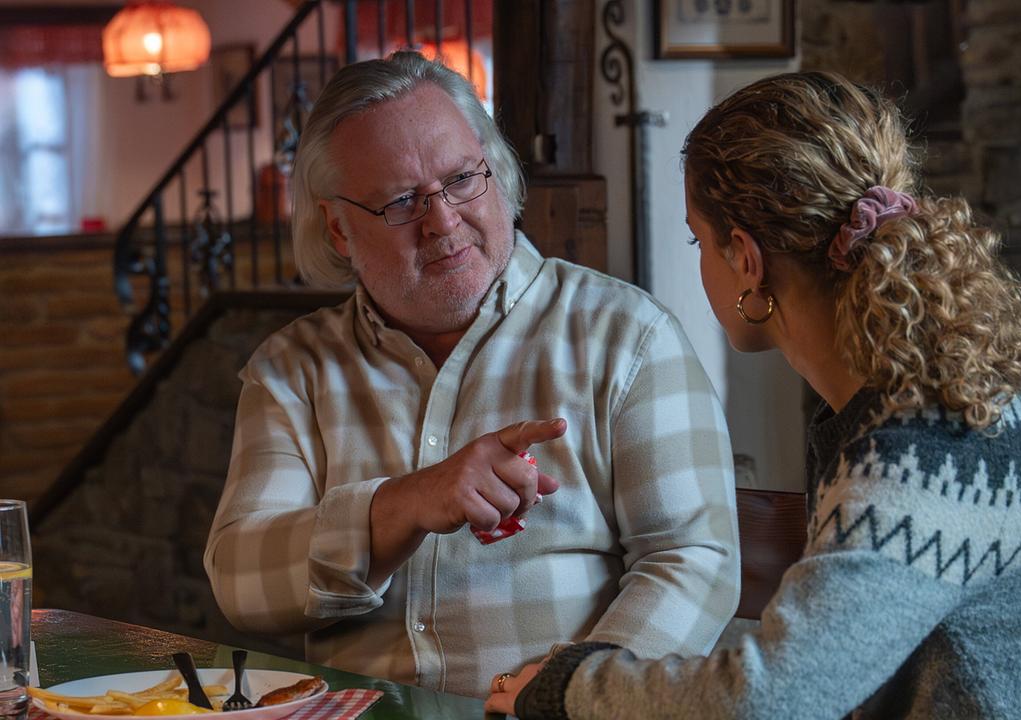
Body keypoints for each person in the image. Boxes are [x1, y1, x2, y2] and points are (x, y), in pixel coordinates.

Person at [486, 71, 1021, 719]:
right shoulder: (955, 398)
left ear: (747, 262)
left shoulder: (920, 460)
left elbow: (775, 698)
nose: (700, 262)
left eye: (698, 240)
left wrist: (567, 685)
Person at [202, 51, 740, 699]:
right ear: (338, 229)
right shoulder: (293, 370)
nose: (444, 222)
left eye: (461, 180)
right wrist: (401, 505)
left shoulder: (627, 336)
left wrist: (574, 692)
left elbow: (694, 561)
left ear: (498, 173)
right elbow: (241, 583)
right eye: (401, 201)